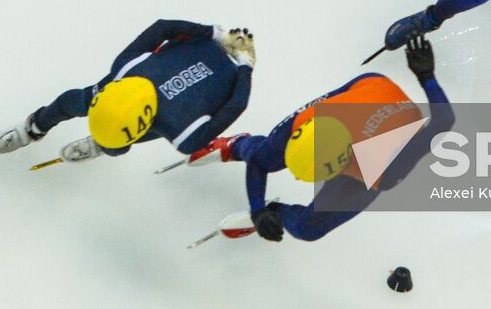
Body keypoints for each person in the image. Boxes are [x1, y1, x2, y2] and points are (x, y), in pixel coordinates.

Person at [188, 37, 451, 242]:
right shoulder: (307, 120)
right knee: (267, 153)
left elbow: (443, 122)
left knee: (309, 229)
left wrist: (426, 77)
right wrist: (257, 210)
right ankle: (238, 144)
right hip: (369, 88)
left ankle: (275, 211)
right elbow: (260, 162)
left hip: (378, 114)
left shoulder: (385, 168)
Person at [0, 20, 254, 164]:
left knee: (79, 104)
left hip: (213, 71)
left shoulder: (126, 67)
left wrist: (216, 38)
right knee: (82, 104)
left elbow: (163, 28)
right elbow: (237, 105)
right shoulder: (183, 136)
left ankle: (91, 140)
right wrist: (242, 64)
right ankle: (48, 128)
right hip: (212, 73)